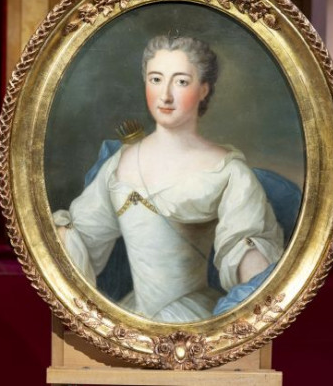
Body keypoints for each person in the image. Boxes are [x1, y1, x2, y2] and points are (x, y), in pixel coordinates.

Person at [54, 35, 284, 323]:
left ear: (203, 90)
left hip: (192, 320)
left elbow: (244, 251)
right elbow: (81, 238)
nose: (165, 95)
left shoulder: (228, 171)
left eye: (181, 82)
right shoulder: (119, 164)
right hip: (132, 319)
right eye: (156, 79)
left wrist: (258, 289)